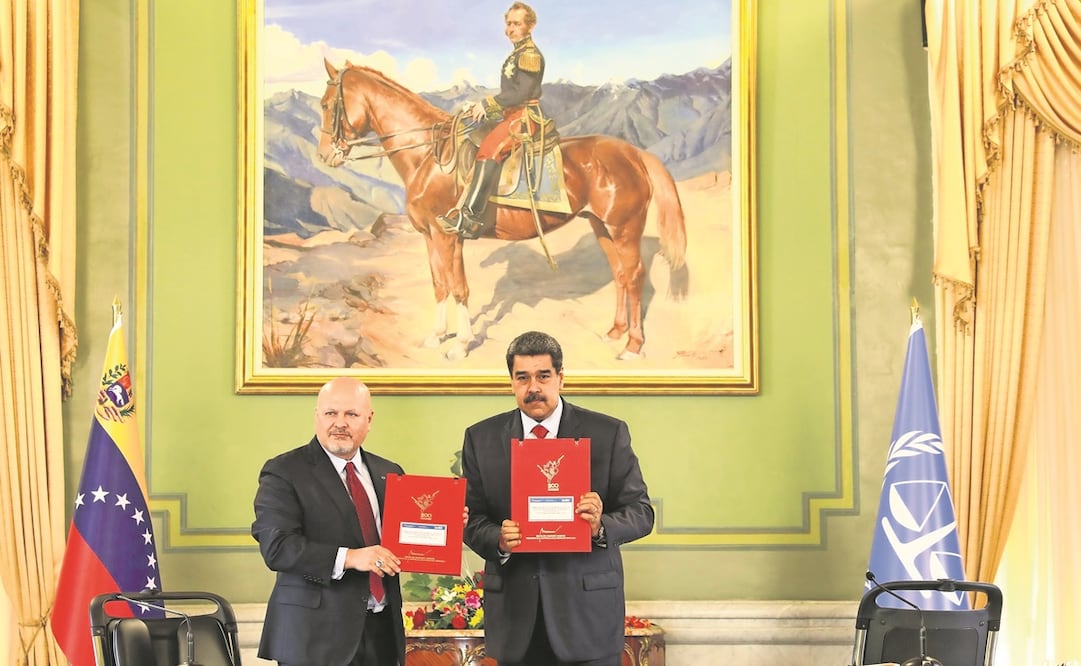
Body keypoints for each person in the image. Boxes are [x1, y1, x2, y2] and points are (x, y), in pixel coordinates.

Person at [460, 331, 655, 666]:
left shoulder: (607, 433)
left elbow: (641, 513)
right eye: (522, 378)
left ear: (560, 379)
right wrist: (499, 540)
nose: (533, 387)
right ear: (511, 382)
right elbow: (471, 517)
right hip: (516, 621)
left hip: (587, 618)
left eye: (543, 376)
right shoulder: (481, 438)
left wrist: (599, 527)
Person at [252, 377, 405, 666]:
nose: (340, 423)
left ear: (369, 419)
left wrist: (446, 524)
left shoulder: (390, 472)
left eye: (351, 414)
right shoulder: (284, 471)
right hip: (314, 638)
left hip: (381, 633)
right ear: (317, 416)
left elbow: (406, 536)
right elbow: (277, 547)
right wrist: (350, 557)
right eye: (331, 413)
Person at [439, 1, 546, 240]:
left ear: (530, 26)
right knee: (470, 131)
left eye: (516, 24)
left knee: (489, 149)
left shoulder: (529, 55)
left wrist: (487, 105)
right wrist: (480, 109)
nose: (510, 29)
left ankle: (471, 218)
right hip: (511, 113)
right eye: (508, 23)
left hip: (525, 116)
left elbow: (522, 94)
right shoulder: (517, 52)